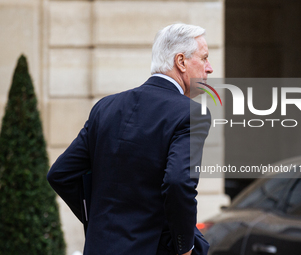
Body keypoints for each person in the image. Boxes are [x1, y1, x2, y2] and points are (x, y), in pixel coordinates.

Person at [47, 23, 213, 255]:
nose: (210, 68)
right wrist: (185, 247)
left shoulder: (106, 107)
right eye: (204, 58)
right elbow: (178, 182)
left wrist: (97, 220)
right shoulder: (191, 113)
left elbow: (61, 174)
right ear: (181, 62)